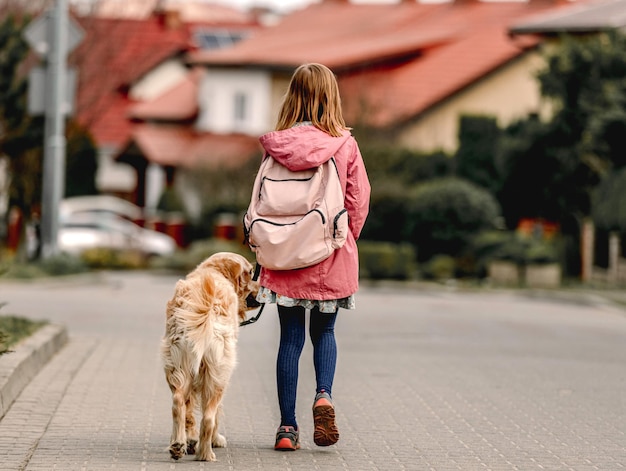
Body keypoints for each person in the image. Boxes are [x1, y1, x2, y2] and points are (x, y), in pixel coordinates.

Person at [253, 63, 371, 451]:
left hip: (286, 255)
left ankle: (287, 429)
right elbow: (358, 200)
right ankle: (323, 394)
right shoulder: (344, 145)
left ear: (293, 96)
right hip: (329, 254)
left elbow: (262, 203)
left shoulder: (277, 146)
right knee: (325, 332)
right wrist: (344, 240)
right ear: (331, 97)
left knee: (289, 340)